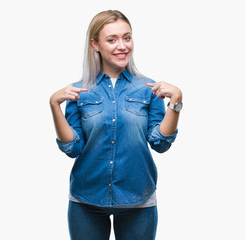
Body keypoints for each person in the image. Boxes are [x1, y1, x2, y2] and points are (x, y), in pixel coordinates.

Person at [50, 10, 183, 240]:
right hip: (86, 198)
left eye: (127, 37)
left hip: (137, 198)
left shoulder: (149, 89)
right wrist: (54, 105)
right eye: (112, 40)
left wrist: (176, 103)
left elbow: (160, 143)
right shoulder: (78, 92)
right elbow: (72, 148)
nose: (122, 46)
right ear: (95, 44)